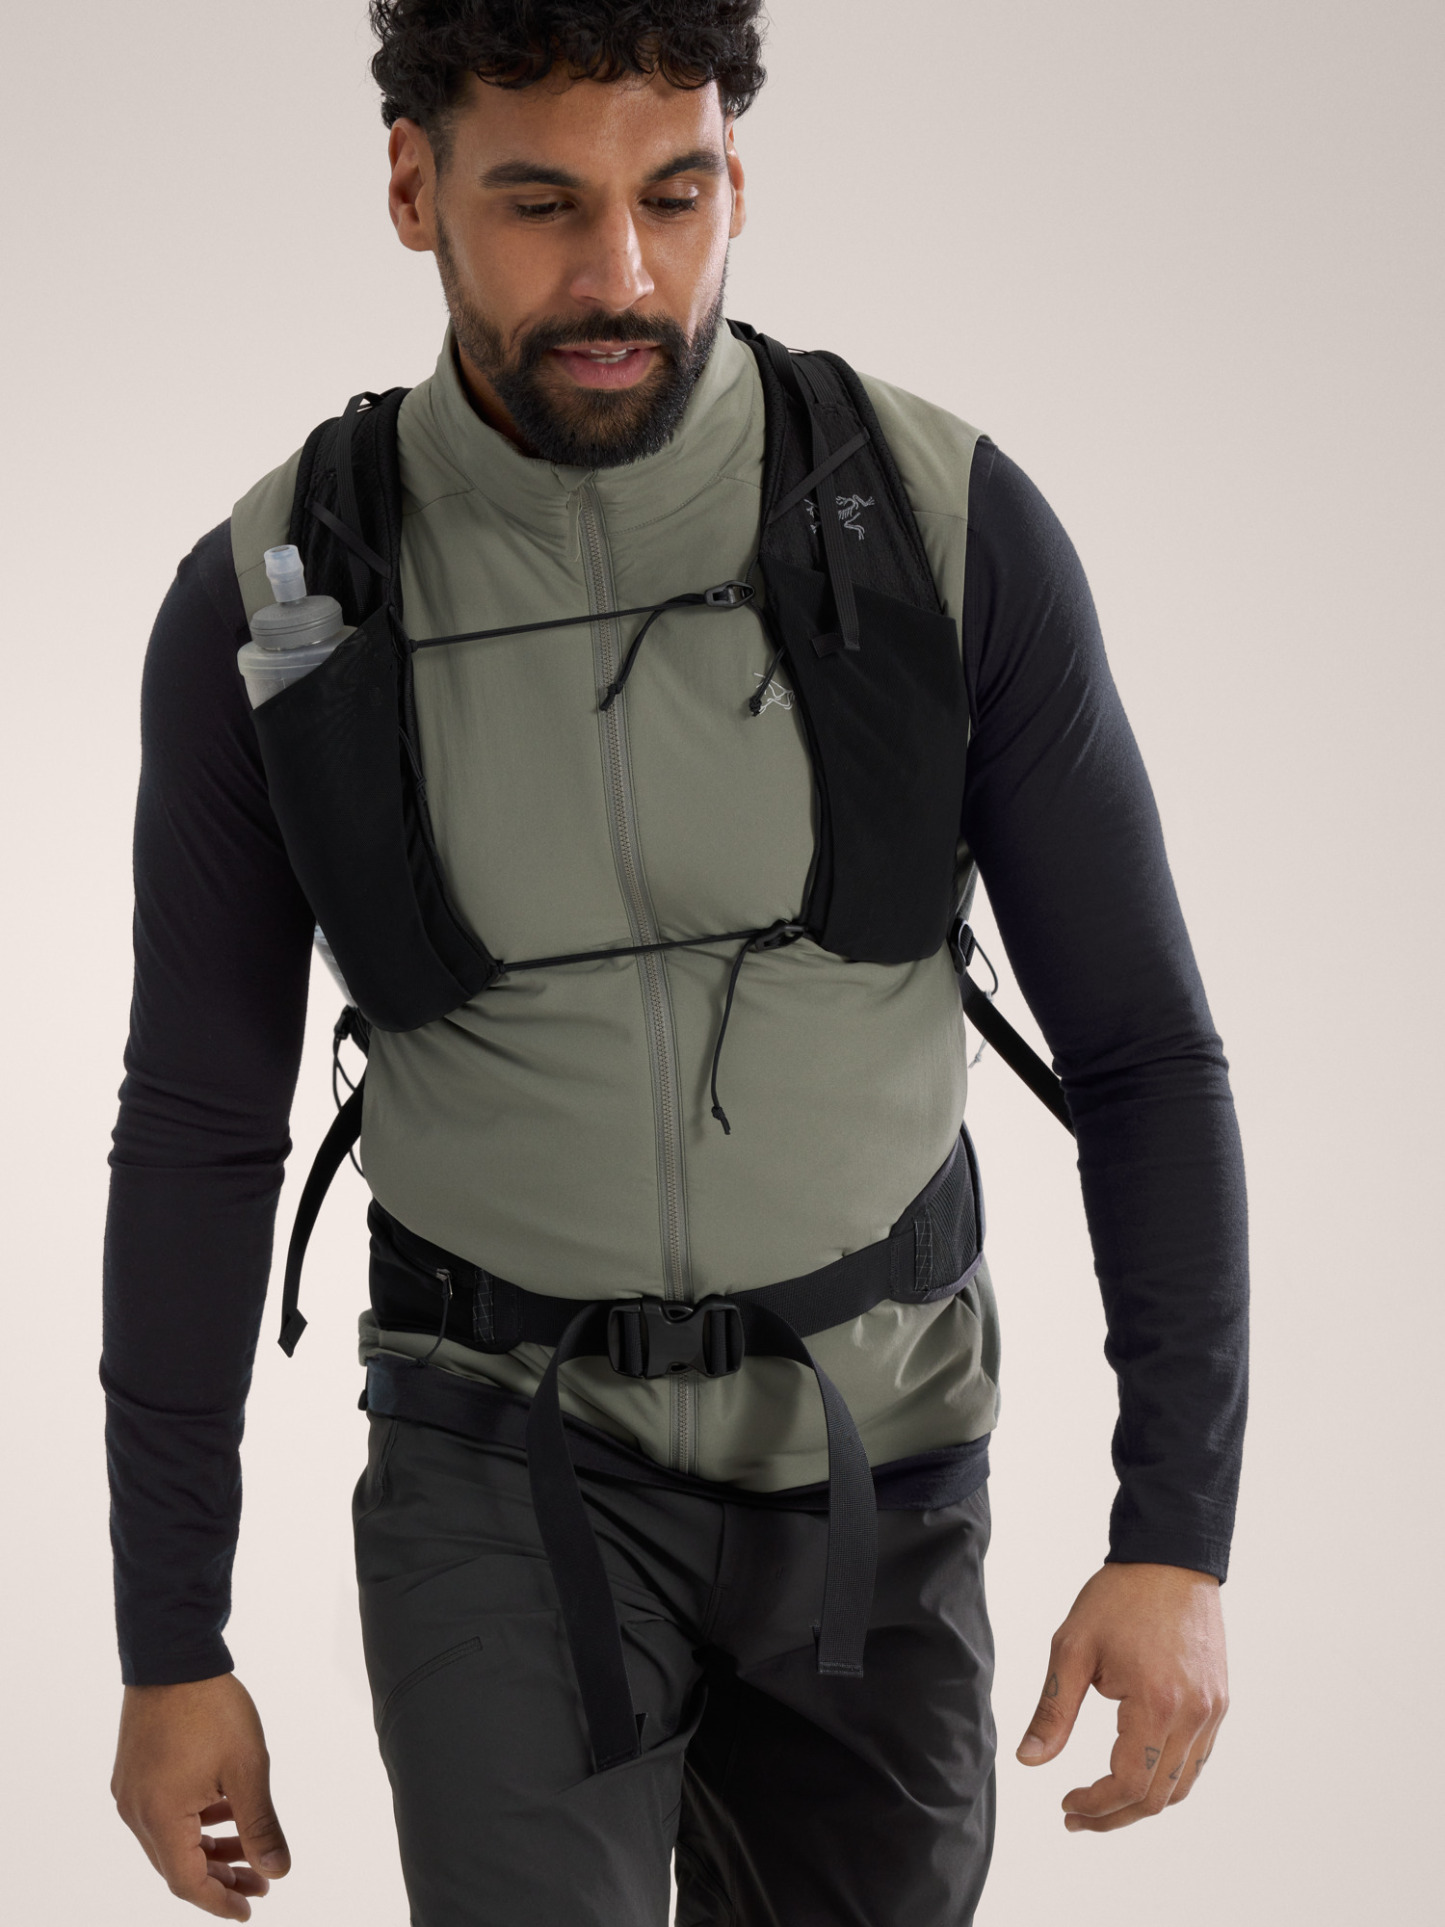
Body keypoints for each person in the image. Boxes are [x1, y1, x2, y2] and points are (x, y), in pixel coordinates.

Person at [104, 4, 1248, 1922]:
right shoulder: (277, 594)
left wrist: (1177, 1538)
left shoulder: (936, 524)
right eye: (542, 203)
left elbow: (1142, 1054)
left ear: (737, 180)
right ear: (414, 188)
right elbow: (196, 1132)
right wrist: (170, 1642)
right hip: (496, 1463)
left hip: (876, 1461)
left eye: (676, 194)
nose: (622, 276)